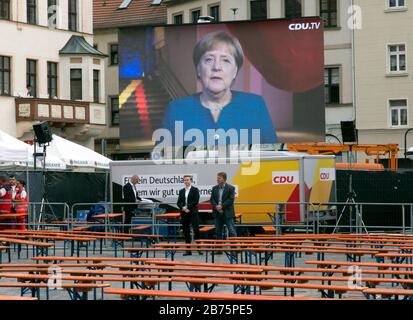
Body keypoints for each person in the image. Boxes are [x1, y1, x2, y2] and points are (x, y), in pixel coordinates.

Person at [161, 31, 278, 145]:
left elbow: (274, 158)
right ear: (198, 69)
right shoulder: (176, 110)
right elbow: (160, 160)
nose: (216, 67)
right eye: (209, 59)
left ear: (235, 71)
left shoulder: (255, 105)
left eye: (226, 60)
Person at [210, 172, 237, 250]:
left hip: (227, 213)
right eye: (217, 178)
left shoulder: (231, 188)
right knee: (218, 232)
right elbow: (212, 199)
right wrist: (216, 207)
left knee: (232, 231)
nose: (217, 179)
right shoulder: (214, 188)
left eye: (219, 178)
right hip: (217, 213)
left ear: (224, 179)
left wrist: (221, 206)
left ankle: (234, 249)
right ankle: (219, 249)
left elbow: (231, 200)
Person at [177, 175, 202, 256]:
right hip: (184, 213)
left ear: (191, 181)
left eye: (187, 180)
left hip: (193, 212)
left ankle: (199, 249)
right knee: (186, 231)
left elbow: (196, 201)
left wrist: (187, 207)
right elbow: (178, 202)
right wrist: (183, 208)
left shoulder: (195, 190)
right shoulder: (181, 191)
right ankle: (188, 250)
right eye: (184, 180)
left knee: (196, 230)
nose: (186, 181)